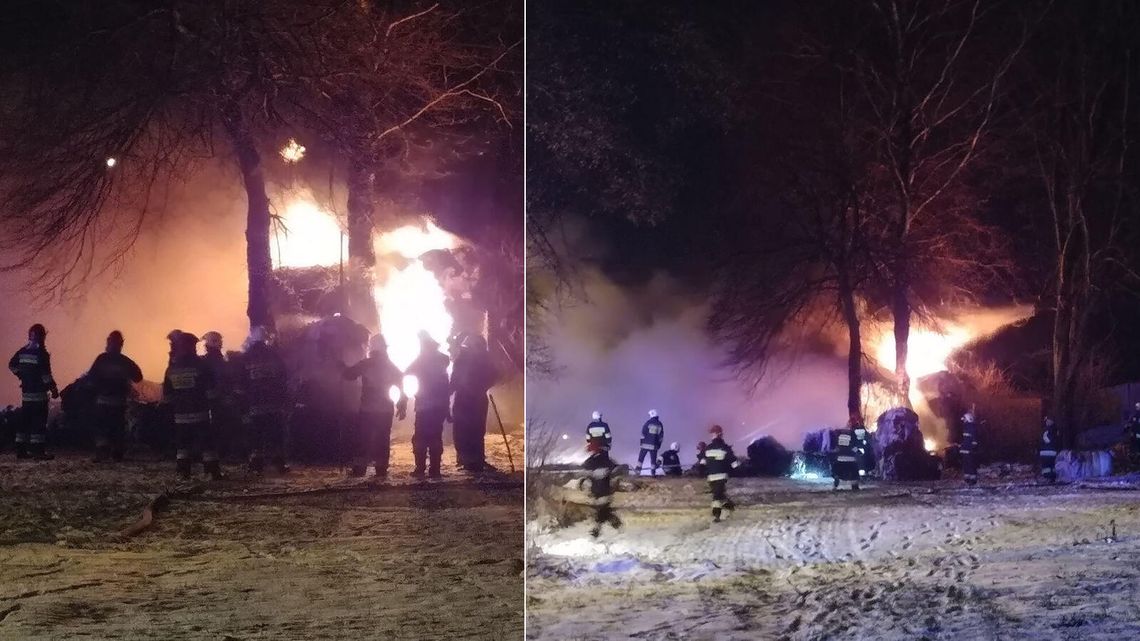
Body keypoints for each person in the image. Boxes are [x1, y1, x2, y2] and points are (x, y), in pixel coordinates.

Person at [342, 334, 407, 478]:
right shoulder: (389, 365)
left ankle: (359, 469)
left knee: (363, 439)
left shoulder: (366, 364)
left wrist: (341, 366)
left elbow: (349, 375)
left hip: (368, 409)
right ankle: (381, 470)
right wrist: (402, 404)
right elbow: (401, 383)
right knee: (382, 440)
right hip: (385, 410)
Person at [162, 332, 219, 479]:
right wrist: (215, 409)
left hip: (180, 417)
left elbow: (167, 395)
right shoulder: (201, 365)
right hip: (200, 414)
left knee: (182, 446)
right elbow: (211, 391)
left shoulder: (172, 368)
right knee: (207, 445)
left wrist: (170, 414)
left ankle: (183, 471)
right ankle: (211, 471)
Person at [238, 326, 290, 475]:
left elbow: (241, 384)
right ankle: (279, 464)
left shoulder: (246, 357)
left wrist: (243, 406)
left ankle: (256, 465)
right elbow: (283, 378)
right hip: (274, 405)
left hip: (254, 405)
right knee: (276, 434)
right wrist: (283, 400)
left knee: (256, 435)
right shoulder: (274, 355)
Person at [87, 331, 143, 462]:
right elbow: (138, 377)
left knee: (102, 427)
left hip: (103, 401)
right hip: (119, 402)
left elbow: (91, 378)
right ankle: (117, 452)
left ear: (108, 342)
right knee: (117, 428)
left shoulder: (102, 359)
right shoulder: (125, 361)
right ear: (121, 344)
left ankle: (103, 452)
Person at [9, 324, 59, 460]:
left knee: (24, 421)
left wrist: (22, 376)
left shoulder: (22, 351)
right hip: (39, 395)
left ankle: (21, 450)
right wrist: (54, 389)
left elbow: (11, 365)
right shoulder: (42, 354)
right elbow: (46, 376)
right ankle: (38, 451)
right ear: (42, 336)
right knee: (39, 422)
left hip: (26, 395)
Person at [450, 334, 497, 472]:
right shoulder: (477, 360)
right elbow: (494, 376)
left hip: (468, 400)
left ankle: (473, 460)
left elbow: (454, 380)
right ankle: (470, 460)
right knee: (470, 430)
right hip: (472, 400)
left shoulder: (468, 360)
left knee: (470, 430)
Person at [406, 332, 451, 478]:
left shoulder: (422, 359)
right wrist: (447, 409)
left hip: (424, 406)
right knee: (435, 436)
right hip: (439, 407)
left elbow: (407, 371)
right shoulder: (442, 360)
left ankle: (420, 468)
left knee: (420, 438)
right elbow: (445, 385)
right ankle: (435, 469)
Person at [580, 441, 622, 538]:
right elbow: (616, 470)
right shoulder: (607, 460)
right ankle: (615, 523)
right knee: (604, 511)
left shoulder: (591, 461)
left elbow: (586, 473)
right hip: (604, 490)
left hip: (599, 490)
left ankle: (597, 530)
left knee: (601, 511)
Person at [701, 426, 739, 522]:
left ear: (715, 434)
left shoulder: (707, 448)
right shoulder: (725, 448)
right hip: (721, 476)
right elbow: (734, 464)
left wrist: (702, 473)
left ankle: (717, 515)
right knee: (718, 495)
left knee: (717, 495)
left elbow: (702, 464)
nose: (712, 435)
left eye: (712, 433)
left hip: (712, 477)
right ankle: (727, 507)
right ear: (721, 434)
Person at [830, 426, 861, 490]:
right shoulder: (852, 442)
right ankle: (855, 486)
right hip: (851, 462)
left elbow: (834, 451)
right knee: (855, 475)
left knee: (836, 472)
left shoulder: (838, 443)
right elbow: (856, 450)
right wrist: (859, 453)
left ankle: (836, 481)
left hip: (840, 461)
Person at [637, 409, 664, 476]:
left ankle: (637, 471)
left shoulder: (648, 423)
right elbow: (661, 437)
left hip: (645, 445)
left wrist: (641, 443)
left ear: (652, 415)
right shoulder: (660, 424)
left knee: (641, 458)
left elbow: (643, 433)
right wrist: (659, 445)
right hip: (654, 446)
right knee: (653, 460)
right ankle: (653, 473)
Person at [961, 410, 979, 486]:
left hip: (970, 450)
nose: (963, 420)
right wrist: (962, 447)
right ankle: (967, 477)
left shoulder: (972, 427)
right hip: (965, 449)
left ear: (968, 418)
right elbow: (965, 439)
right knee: (966, 463)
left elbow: (974, 440)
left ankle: (973, 478)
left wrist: (972, 448)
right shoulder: (965, 427)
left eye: (965, 418)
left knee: (971, 463)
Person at [1040, 416, 1058, 483]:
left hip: (1046, 451)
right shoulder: (1055, 430)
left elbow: (1046, 440)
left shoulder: (1047, 430)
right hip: (1052, 451)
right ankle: (1052, 477)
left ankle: (1047, 477)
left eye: (1048, 421)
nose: (1047, 422)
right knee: (1051, 466)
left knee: (1046, 466)